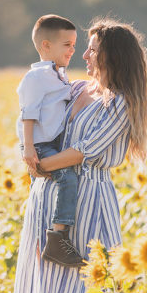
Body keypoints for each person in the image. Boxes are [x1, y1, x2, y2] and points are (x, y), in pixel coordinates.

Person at [13, 17, 147, 293]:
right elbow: (34, 114)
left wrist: (41, 165)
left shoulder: (121, 103)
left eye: (92, 48)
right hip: (47, 196)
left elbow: (82, 153)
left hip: (88, 201)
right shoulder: (73, 88)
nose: (85, 55)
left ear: (112, 56)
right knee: (46, 288)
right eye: (86, 47)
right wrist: (28, 149)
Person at [16, 14, 85, 267]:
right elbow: (28, 113)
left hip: (51, 143)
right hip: (40, 144)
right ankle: (58, 239)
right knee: (67, 177)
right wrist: (29, 147)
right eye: (66, 44)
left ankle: (48, 237)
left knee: (45, 190)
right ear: (46, 45)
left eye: (74, 44)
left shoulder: (59, 75)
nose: (73, 50)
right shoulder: (35, 78)